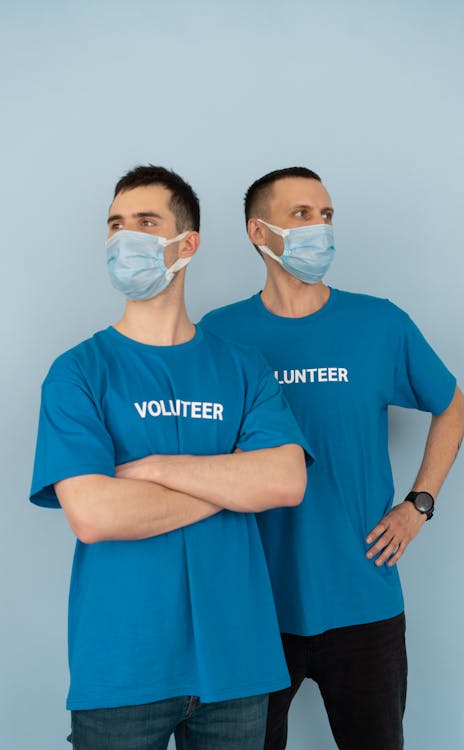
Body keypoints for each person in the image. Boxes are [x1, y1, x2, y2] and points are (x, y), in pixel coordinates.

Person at [30, 165, 311, 750]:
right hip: (122, 666)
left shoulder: (243, 367)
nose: (123, 238)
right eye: (115, 225)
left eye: (145, 223)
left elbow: (285, 482)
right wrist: (232, 481)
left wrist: (154, 469)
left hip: (237, 661)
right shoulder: (78, 372)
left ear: (187, 245)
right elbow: (95, 516)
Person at [199, 166, 464, 750]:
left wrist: (418, 504)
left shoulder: (379, 323)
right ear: (258, 231)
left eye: (326, 216)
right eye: (302, 215)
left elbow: (452, 405)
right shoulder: (218, 336)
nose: (319, 229)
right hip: (253, 605)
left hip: (363, 597)